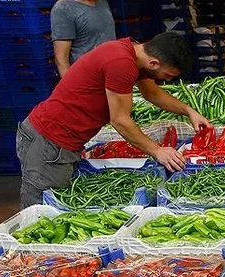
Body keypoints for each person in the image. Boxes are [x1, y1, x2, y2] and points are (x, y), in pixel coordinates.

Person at [16, 32, 210, 209]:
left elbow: (152, 93)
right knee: (41, 212)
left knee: (57, 207)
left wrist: (188, 111)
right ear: (153, 63)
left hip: (61, 141)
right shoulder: (122, 63)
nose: (167, 81)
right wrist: (157, 151)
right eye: (167, 75)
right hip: (49, 141)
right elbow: (120, 120)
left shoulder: (134, 54)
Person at [51, 0, 117, 77]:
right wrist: (73, 87)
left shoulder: (103, 3)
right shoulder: (63, 8)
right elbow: (61, 61)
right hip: (87, 80)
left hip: (112, 75)